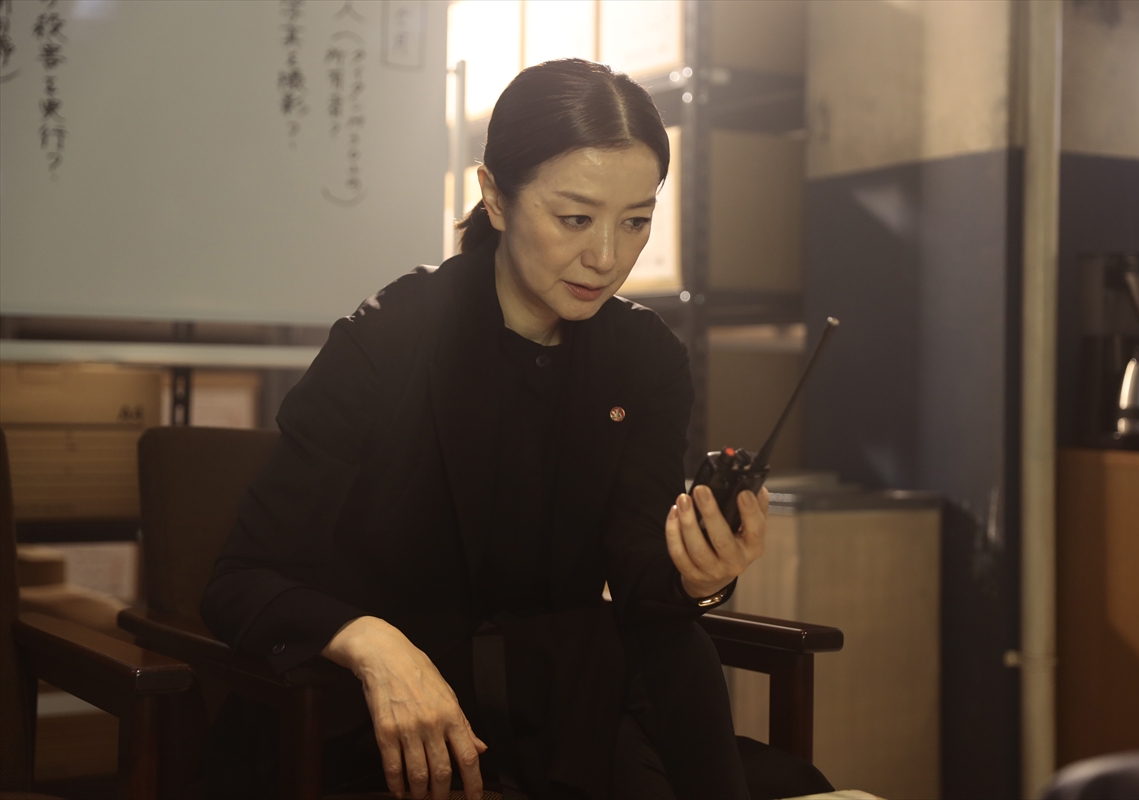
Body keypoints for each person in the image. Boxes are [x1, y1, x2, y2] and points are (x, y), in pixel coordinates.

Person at [200, 59, 772, 800]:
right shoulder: (391, 338)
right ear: (495, 196)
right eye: (575, 219)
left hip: (552, 708)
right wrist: (372, 643)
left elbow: (638, 577)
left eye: (636, 221)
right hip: (386, 722)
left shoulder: (645, 359)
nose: (607, 257)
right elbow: (241, 580)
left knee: (682, 664)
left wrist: (698, 576)